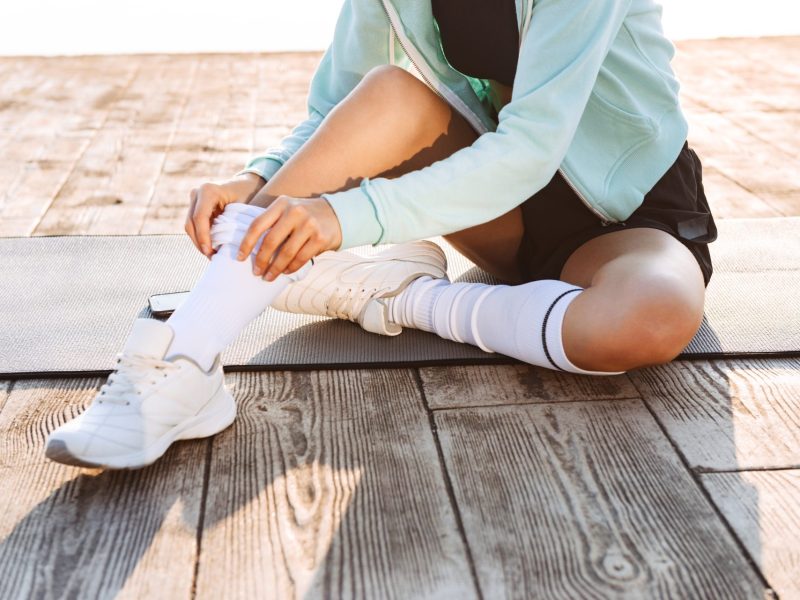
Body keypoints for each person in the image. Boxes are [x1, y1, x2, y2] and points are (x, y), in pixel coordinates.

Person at [45, 0, 717, 469]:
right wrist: (257, 180)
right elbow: (333, 110)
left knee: (651, 319)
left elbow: (534, 145)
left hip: (625, 216)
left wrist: (346, 218)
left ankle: (399, 298)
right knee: (388, 92)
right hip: (502, 207)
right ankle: (185, 360)